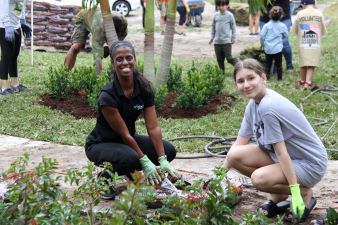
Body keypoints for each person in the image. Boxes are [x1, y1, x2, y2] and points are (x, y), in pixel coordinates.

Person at [226, 58, 328, 222]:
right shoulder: (253, 104)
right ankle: (279, 194)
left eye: (251, 78)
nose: (246, 85)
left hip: (309, 163)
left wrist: (294, 191)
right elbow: (240, 142)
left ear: (263, 77)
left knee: (259, 179)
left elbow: (281, 153)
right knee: (233, 156)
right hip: (285, 157)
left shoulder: (268, 107)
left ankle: (304, 193)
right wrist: (217, 177)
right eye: (240, 81)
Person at [85, 40, 178, 199]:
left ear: (134, 59)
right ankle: (105, 178)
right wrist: (145, 161)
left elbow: (153, 127)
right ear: (113, 64)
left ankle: (129, 171)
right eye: (119, 59)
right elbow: (124, 134)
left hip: (126, 141)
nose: (125, 62)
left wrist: (162, 159)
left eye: (129, 58)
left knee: (168, 150)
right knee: (133, 158)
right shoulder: (108, 96)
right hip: (101, 144)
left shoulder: (144, 88)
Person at [64, 8, 128, 75]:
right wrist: (99, 79)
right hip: (83, 18)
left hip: (98, 18)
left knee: (115, 48)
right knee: (77, 46)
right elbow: (97, 57)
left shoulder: (123, 23)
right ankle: (64, 74)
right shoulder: (98, 27)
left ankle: (115, 74)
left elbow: (118, 45)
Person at [0, 0, 31, 96]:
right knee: (6, 55)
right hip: (4, 26)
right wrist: (8, 26)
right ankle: (4, 87)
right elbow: (3, 10)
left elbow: (19, 6)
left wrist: (22, 21)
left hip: (16, 26)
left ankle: (15, 84)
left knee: (14, 55)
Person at [292, 0, 326, 87]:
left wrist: (300, 34)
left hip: (303, 40)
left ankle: (303, 80)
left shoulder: (300, 14)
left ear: (303, 4)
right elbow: (322, 28)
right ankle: (308, 82)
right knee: (312, 61)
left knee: (303, 61)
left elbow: (295, 28)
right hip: (315, 41)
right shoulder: (319, 13)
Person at [260, 0, 294, 72]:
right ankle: (271, 66)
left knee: (284, 42)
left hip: (283, 17)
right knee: (267, 41)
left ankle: (289, 65)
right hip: (265, 16)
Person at [260, 6, 288, 81]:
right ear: (281, 16)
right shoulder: (282, 26)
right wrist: (282, 40)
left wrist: (262, 45)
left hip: (268, 49)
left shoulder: (266, 25)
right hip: (278, 49)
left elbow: (262, 36)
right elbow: (286, 35)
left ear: (270, 15)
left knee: (267, 65)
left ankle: (266, 79)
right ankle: (280, 79)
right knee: (279, 64)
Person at [209, 0, 237, 73]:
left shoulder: (230, 15)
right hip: (217, 42)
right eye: (219, 5)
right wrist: (212, 37)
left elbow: (233, 27)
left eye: (223, 5)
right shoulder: (215, 15)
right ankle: (221, 72)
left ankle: (239, 65)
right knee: (219, 59)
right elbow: (213, 27)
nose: (221, 7)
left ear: (227, 5)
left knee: (229, 58)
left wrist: (233, 38)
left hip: (226, 42)